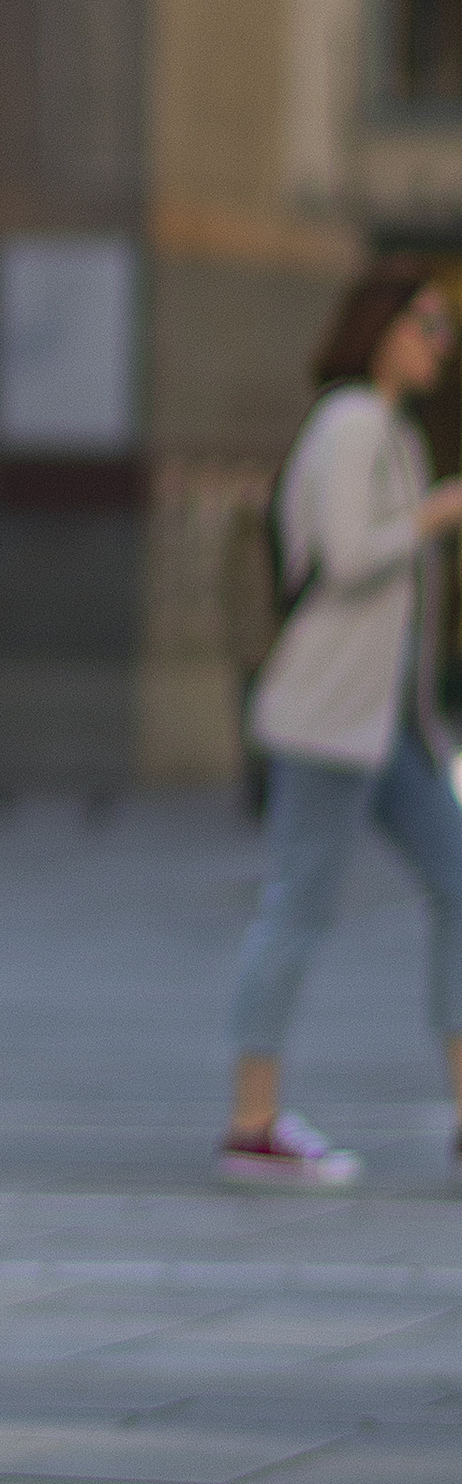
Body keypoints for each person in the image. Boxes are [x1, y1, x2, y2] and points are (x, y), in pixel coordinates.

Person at [222, 262, 462, 1189]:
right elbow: (348, 555)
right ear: (383, 330)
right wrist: (435, 516)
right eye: (428, 325)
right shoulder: (353, 422)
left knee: (456, 887)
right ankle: (252, 1120)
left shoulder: (387, 429)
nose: (442, 343)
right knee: (297, 906)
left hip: (386, 726)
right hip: (329, 719)